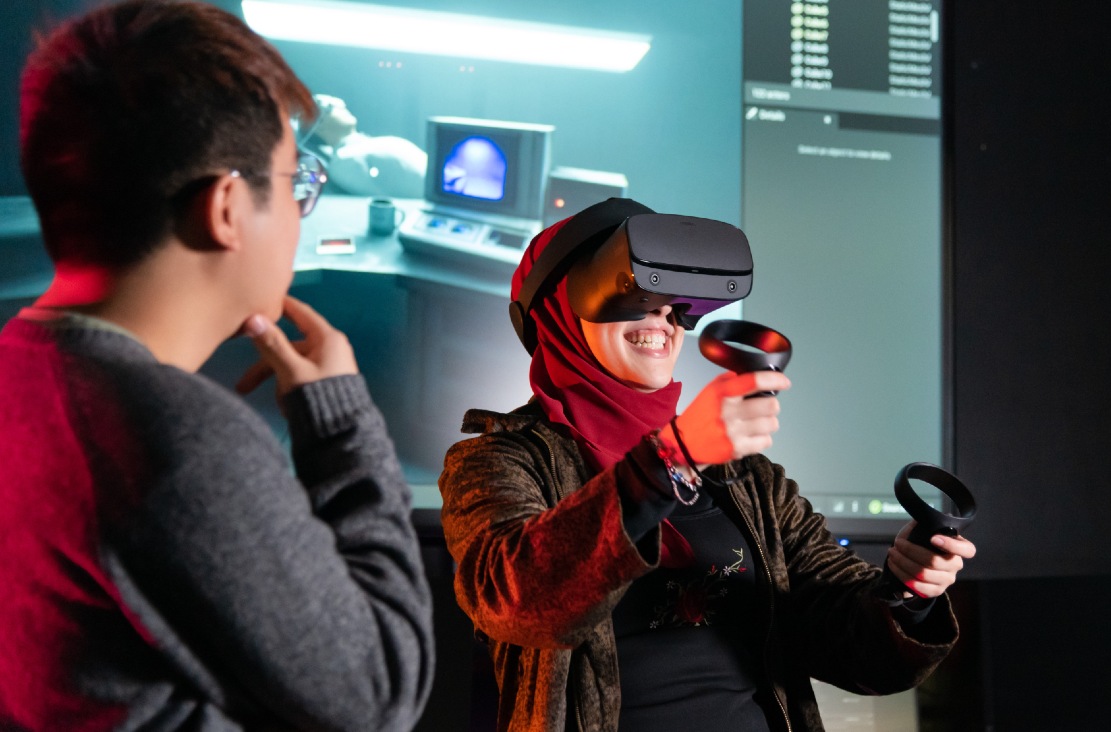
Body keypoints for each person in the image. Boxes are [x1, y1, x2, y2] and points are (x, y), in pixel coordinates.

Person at [0, 1, 433, 729]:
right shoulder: (175, 439)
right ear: (228, 207)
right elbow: (379, 691)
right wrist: (343, 426)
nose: (302, 217)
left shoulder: (23, 373)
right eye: (298, 185)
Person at [439, 198, 977, 731]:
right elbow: (517, 600)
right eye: (636, 298)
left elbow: (852, 648)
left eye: (675, 307)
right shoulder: (497, 461)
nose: (664, 321)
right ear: (557, 312)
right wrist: (670, 458)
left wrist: (908, 593)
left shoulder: (748, 479)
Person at [299, 93, 428, 198]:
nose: (342, 106)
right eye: (331, 107)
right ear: (320, 127)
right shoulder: (345, 162)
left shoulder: (365, 147)